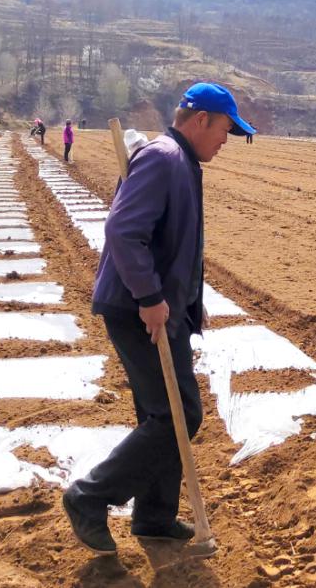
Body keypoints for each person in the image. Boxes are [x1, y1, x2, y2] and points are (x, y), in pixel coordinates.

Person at [62, 82, 256, 555]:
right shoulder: (164, 158)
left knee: (162, 413)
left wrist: (187, 298)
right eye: (226, 129)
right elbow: (125, 232)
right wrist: (150, 297)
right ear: (201, 120)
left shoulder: (182, 163)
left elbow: (174, 242)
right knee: (178, 414)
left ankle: (154, 516)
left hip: (161, 308)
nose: (226, 141)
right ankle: (89, 497)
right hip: (135, 308)